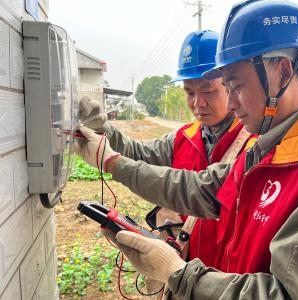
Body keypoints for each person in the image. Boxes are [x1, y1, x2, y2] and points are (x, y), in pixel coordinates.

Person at [74, 1, 298, 298]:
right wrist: (114, 160)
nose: (229, 104)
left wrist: (180, 274)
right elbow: (200, 190)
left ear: (283, 72)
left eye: (237, 86)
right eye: (227, 88)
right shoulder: (264, 152)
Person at [78, 30, 255, 268]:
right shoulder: (184, 138)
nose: (198, 103)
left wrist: (113, 162)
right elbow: (138, 153)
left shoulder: (253, 144)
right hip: (183, 271)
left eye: (208, 91)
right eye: (189, 92)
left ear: (229, 85)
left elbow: (200, 190)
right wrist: (103, 128)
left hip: (229, 280)